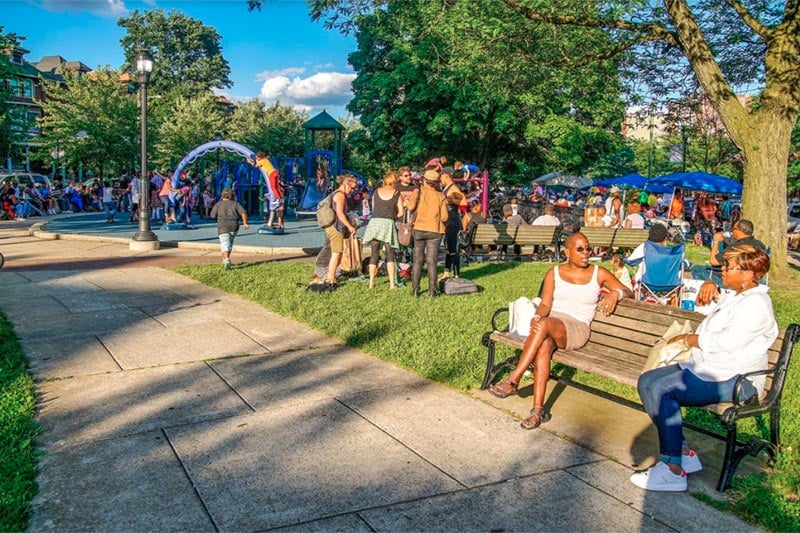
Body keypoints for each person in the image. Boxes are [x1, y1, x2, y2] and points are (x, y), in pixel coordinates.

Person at [631, 245, 777, 492]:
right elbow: (718, 311)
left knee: (664, 390)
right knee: (647, 381)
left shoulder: (757, 305)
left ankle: (672, 470)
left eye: (729, 267)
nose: (722, 269)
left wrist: (689, 340)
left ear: (748, 274)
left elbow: (726, 342)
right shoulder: (740, 297)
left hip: (738, 380)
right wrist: (714, 289)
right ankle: (683, 452)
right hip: (710, 368)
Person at [488, 233, 633, 428]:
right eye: (580, 249)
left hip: (576, 328)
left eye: (588, 248)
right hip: (551, 325)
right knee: (544, 346)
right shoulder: (553, 273)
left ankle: (513, 379)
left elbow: (629, 292)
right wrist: (538, 315)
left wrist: (615, 293)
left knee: (545, 325)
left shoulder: (599, 273)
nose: (586, 253)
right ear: (567, 252)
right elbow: (545, 304)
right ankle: (537, 411)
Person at [407, 169, 448, 297]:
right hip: (435, 229)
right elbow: (445, 217)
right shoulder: (440, 196)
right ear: (436, 182)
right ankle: (432, 291)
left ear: (424, 180)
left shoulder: (417, 191)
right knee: (432, 261)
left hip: (419, 228)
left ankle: (415, 290)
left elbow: (410, 207)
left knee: (417, 260)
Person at [362, 171, 402, 289]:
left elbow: (374, 208)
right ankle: (391, 283)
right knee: (390, 255)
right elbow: (401, 212)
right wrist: (394, 215)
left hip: (374, 222)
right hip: (388, 223)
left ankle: (371, 282)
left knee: (374, 254)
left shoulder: (376, 191)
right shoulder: (396, 193)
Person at [323, 174, 359, 286]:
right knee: (337, 253)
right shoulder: (340, 195)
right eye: (351, 188)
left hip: (333, 226)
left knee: (338, 251)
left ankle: (332, 275)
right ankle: (330, 277)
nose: (352, 191)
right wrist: (350, 226)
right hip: (336, 227)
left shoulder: (336, 194)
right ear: (345, 184)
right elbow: (340, 213)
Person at [210, 187, 249, 270]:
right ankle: (224, 260)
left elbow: (212, 215)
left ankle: (226, 260)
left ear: (222, 196)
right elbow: (243, 212)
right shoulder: (235, 204)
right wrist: (245, 223)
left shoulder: (219, 204)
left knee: (224, 244)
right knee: (229, 244)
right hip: (234, 227)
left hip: (223, 227)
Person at [441, 168, 465, 279]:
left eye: (441, 176)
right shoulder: (447, 188)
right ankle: (446, 272)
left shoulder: (453, 188)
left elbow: (463, 201)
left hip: (452, 220)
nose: (439, 179)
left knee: (452, 249)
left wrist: (451, 200)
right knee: (448, 248)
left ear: (446, 176)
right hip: (448, 220)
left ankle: (456, 274)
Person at [249, 151, 284, 230]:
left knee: (273, 187)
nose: (257, 159)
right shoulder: (266, 160)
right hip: (275, 172)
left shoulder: (262, 161)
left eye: (257, 157)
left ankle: (278, 199)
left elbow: (255, 165)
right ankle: (279, 197)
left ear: (260, 157)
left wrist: (250, 162)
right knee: (276, 187)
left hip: (271, 173)